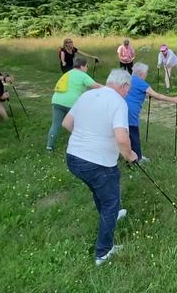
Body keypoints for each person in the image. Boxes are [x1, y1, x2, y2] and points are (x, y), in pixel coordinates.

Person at [62, 69, 138, 266]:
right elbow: (122, 138)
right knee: (111, 201)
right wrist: (130, 156)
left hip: (73, 159)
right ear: (125, 86)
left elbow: (67, 123)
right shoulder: (118, 102)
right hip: (98, 164)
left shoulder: (87, 95)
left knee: (100, 191)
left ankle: (111, 216)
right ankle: (103, 252)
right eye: (128, 90)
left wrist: (85, 139)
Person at [126, 62, 177, 163]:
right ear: (141, 73)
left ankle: (126, 154)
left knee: (124, 132)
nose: (146, 74)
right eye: (146, 72)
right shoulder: (142, 83)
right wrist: (173, 99)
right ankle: (138, 158)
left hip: (121, 108)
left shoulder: (127, 79)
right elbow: (157, 95)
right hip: (131, 111)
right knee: (134, 134)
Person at [46, 57, 102, 151]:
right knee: (78, 124)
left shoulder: (67, 73)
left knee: (55, 124)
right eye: (87, 66)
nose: (87, 68)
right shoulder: (82, 75)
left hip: (57, 100)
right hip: (71, 103)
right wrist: (109, 89)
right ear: (82, 66)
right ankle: (80, 145)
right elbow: (95, 86)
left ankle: (49, 147)